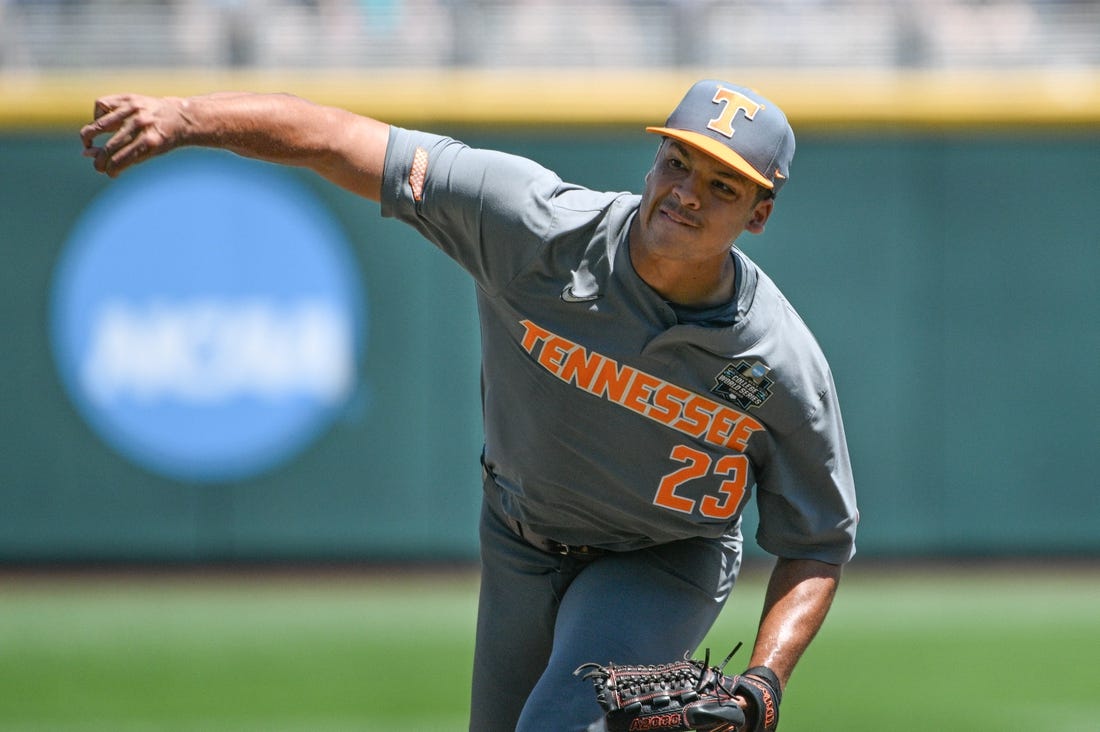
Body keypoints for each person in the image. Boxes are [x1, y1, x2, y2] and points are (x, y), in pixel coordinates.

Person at [80, 79, 858, 731]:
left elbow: (818, 541)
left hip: (662, 558)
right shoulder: (533, 226)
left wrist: (764, 682)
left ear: (758, 213)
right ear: (655, 159)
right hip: (519, 536)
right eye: (678, 163)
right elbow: (341, 139)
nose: (686, 194)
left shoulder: (777, 361)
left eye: (722, 186)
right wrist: (184, 118)